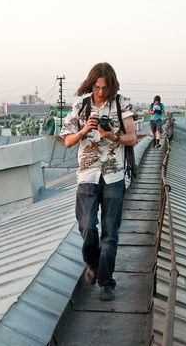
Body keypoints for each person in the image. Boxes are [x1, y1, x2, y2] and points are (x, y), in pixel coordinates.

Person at [60, 63, 136, 301]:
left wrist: (113, 135)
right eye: (96, 87)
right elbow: (67, 141)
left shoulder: (121, 103)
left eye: (105, 87)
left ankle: (106, 282)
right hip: (87, 177)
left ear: (112, 85)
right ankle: (94, 264)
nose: (101, 92)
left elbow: (132, 138)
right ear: (91, 84)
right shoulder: (80, 106)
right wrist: (84, 130)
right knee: (87, 226)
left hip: (113, 177)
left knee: (110, 234)